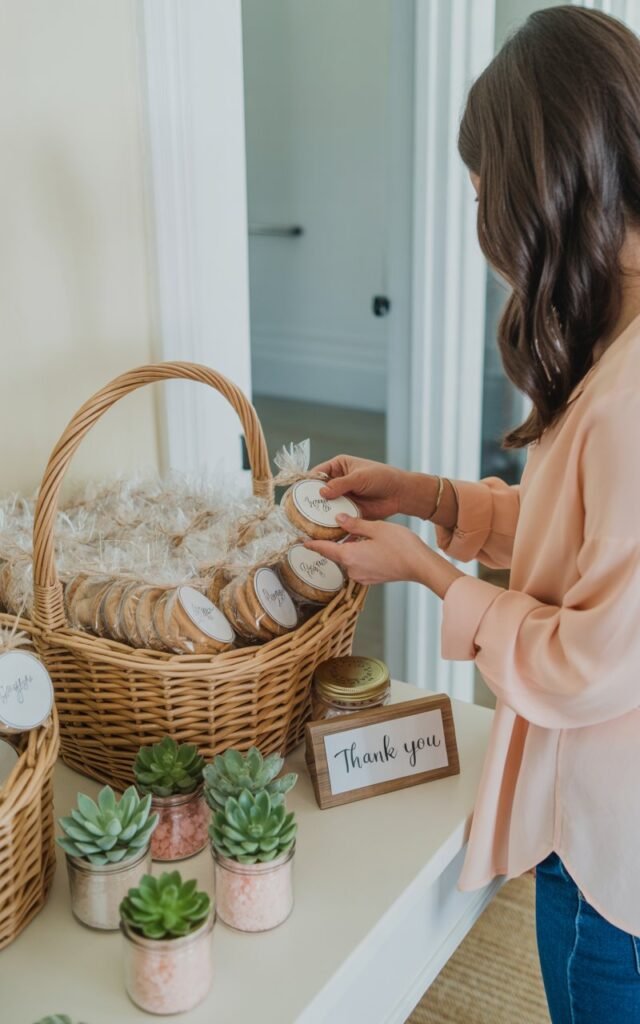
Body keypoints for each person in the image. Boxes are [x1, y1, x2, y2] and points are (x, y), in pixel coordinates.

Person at [304, 7, 640, 1022]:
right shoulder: (621, 336)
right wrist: (433, 499)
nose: (485, 223)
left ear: (545, 188)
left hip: (612, 865)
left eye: (486, 195)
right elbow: (586, 538)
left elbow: (589, 662)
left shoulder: (632, 396)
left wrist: (426, 570)